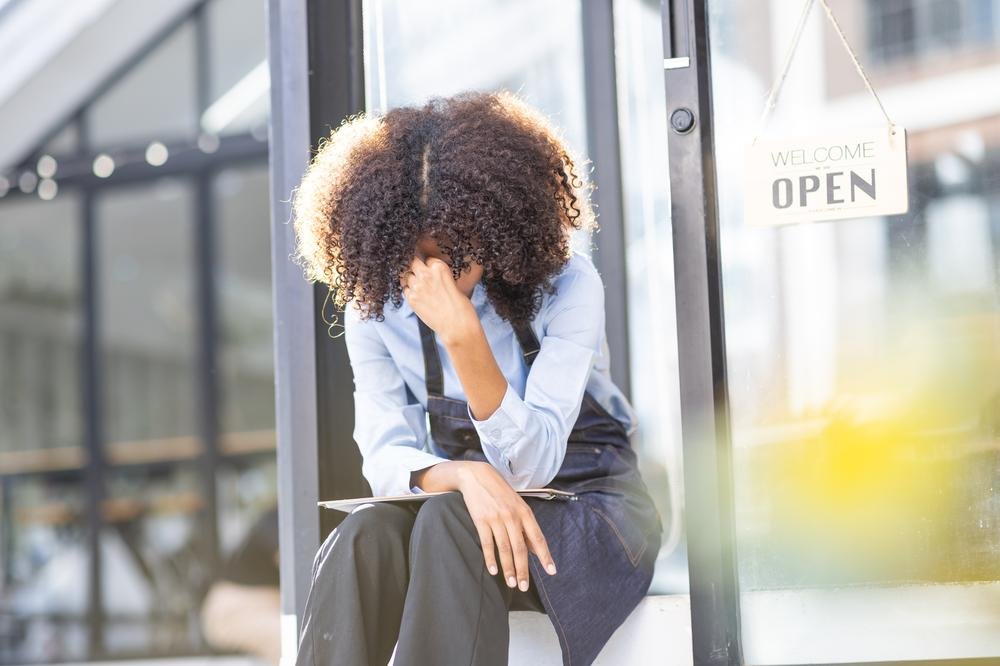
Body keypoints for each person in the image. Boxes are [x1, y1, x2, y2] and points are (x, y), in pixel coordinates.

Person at [289, 90, 663, 666]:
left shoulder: (568, 286)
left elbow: (530, 466)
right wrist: (463, 474)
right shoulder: (375, 309)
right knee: (365, 534)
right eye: (420, 258)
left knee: (449, 517)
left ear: (495, 227)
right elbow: (383, 457)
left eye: (458, 253)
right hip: (468, 518)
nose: (440, 276)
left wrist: (461, 335)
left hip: (588, 510)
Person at [200, 506, 281, 666]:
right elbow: (297, 567)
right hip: (235, 610)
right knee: (289, 637)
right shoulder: (278, 516)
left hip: (267, 606)